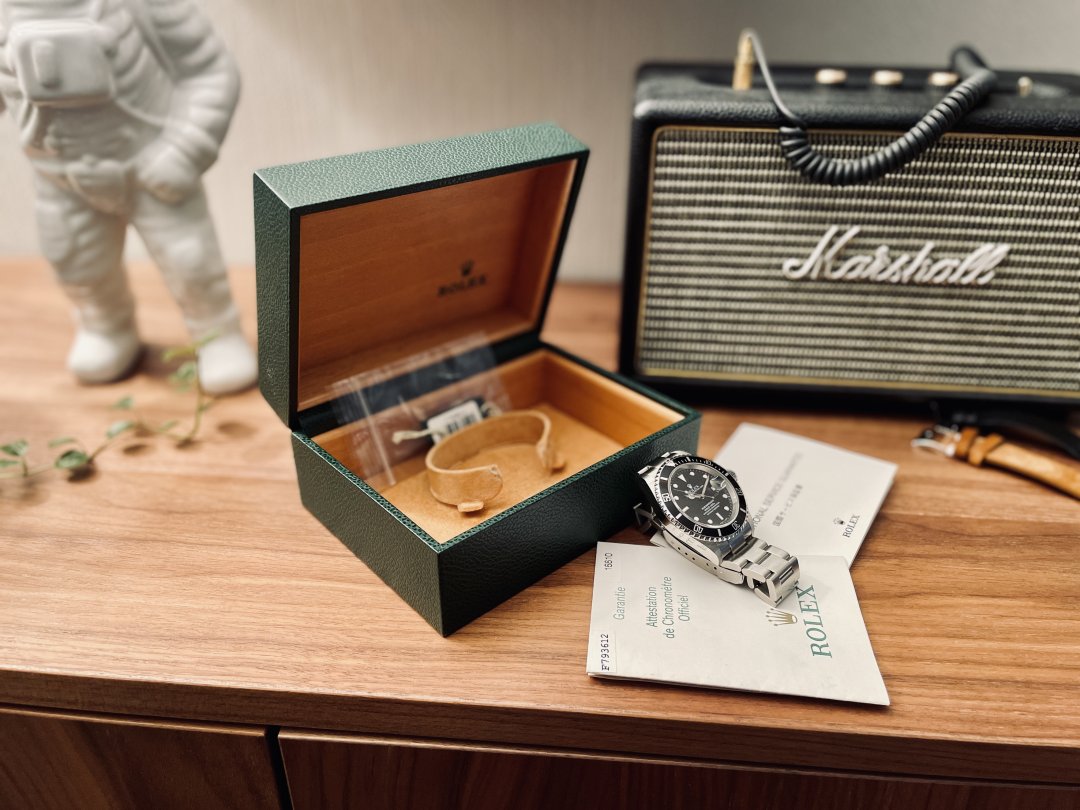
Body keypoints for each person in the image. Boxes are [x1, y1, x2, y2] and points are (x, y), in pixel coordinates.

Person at [0, 0, 256, 394]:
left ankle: (217, 333)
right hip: (60, 178)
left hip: (150, 170)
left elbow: (210, 70)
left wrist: (184, 149)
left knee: (191, 261)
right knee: (76, 261)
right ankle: (105, 327)